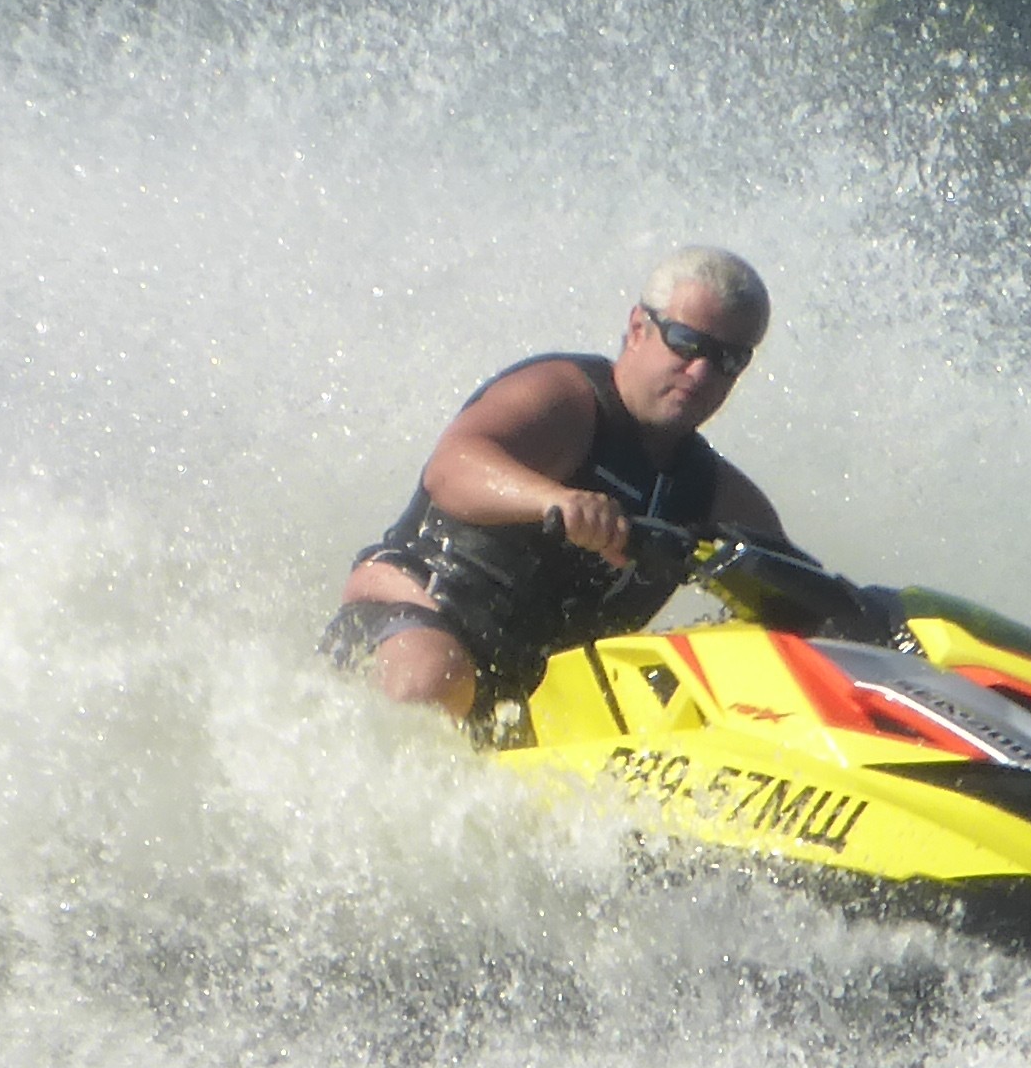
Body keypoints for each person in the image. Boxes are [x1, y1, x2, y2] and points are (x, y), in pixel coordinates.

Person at [323, 246, 800, 717]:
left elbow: (799, 594)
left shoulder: (717, 496)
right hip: (405, 624)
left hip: (527, 701)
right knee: (435, 678)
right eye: (687, 343)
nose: (701, 372)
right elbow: (450, 469)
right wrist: (556, 500)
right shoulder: (564, 401)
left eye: (728, 359)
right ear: (639, 328)